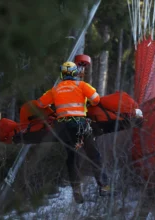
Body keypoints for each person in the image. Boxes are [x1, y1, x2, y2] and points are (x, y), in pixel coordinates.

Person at [37, 61, 109, 204]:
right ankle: (104, 187)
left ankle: (76, 191)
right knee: (94, 154)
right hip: (81, 125)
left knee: (72, 158)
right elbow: (96, 99)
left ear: (62, 74)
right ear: (75, 73)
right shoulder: (81, 85)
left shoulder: (55, 89)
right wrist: (85, 102)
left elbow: (40, 104)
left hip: (64, 128)